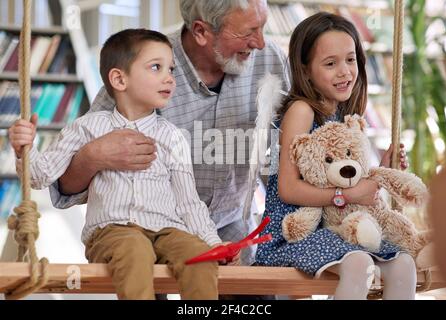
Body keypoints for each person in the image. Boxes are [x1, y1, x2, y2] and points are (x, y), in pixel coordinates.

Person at [44, 0, 290, 268]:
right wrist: (94, 155)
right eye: (247, 32)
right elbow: (66, 186)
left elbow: (298, 147)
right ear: (200, 32)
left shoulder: (270, 61)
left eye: (262, 27)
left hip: (230, 222)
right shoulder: (142, 67)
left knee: (255, 298)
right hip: (149, 225)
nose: (260, 43)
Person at [8, 29, 235, 300]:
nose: (169, 78)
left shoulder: (173, 137)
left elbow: (189, 203)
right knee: (134, 249)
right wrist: (25, 149)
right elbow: (39, 175)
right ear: (119, 79)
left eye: (171, 69)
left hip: (167, 231)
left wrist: (213, 243)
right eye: (156, 67)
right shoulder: (87, 128)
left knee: (198, 256)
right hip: (112, 231)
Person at [255, 12, 415, 300]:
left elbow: (344, 177)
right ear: (305, 70)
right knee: (359, 263)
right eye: (331, 64)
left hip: (336, 228)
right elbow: (288, 189)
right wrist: (350, 195)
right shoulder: (301, 111)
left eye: (350, 60)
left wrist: (380, 171)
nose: (345, 72)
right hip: (294, 234)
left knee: (403, 263)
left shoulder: (343, 114)